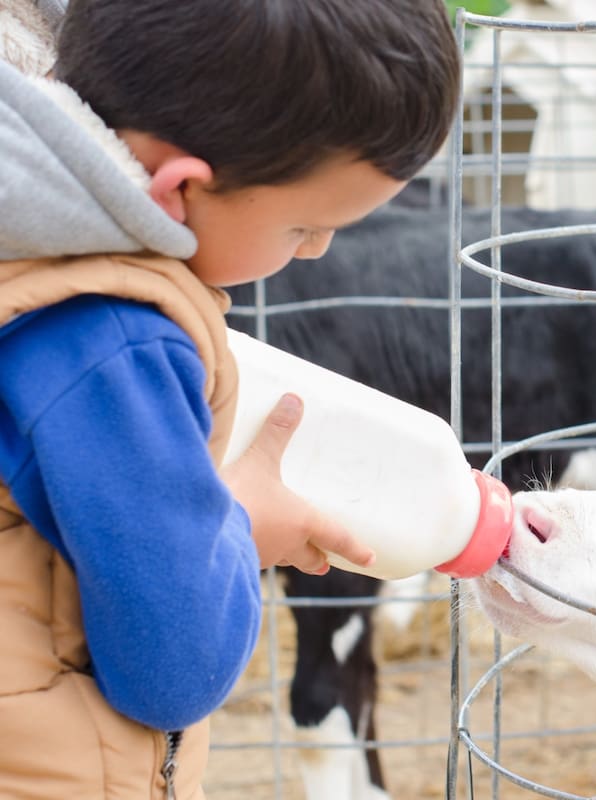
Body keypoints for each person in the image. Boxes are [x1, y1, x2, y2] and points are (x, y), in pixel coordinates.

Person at [0, 1, 461, 797]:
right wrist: (239, 525)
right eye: (304, 228)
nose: (318, 250)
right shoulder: (114, 341)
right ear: (182, 187)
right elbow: (171, 671)